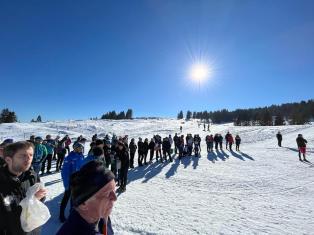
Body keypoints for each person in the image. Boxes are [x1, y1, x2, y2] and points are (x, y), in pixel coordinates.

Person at [56, 160, 116, 235]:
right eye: (107, 193)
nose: (115, 198)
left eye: (114, 190)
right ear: (83, 203)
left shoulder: (101, 216)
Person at [0, 141, 47, 235]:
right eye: (23, 156)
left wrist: (39, 198)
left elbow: (41, 199)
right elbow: (7, 216)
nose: (29, 159)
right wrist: (32, 200)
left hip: (32, 230)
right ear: (8, 160)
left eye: (31, 155)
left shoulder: (32, 176)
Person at [59, 142, 84, 223]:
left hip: (78, 181)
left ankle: (72, 213)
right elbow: (65, 172)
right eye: (79, 147)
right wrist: (66, 184)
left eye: (81, 147)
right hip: (70, 182)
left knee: (74, 198)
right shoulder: (69, 157)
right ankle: (61, 215)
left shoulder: (81, 156)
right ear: (75, 148)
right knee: (66, 197)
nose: (81, 149)